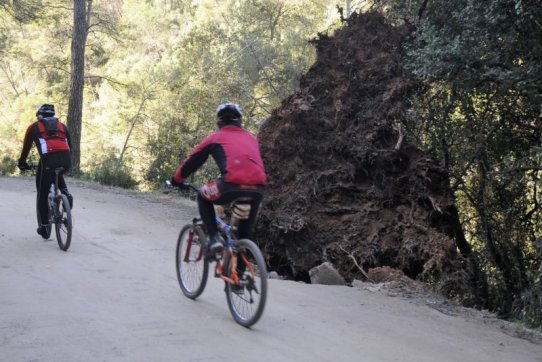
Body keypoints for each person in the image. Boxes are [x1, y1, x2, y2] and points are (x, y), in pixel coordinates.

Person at [171, 102, 267, 259]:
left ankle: (215, 238)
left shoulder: (215, 138)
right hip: (257, 190)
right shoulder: (252, 138)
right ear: (240, 121)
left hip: (230, 185)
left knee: (203, 195)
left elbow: (191, 162)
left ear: (219, 122)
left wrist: (176, 180)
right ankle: (241, 279)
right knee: (244, 236)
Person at [18, 104, 73, 238]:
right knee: (57, 170)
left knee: (42, 194)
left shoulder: (34, 127)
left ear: (39, 116)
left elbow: (26, 148)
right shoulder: (62, 126)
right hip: (66, 160)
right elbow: (70, 146)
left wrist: (22, 163)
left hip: (47, 161)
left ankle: (44, 227)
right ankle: (66, 192)